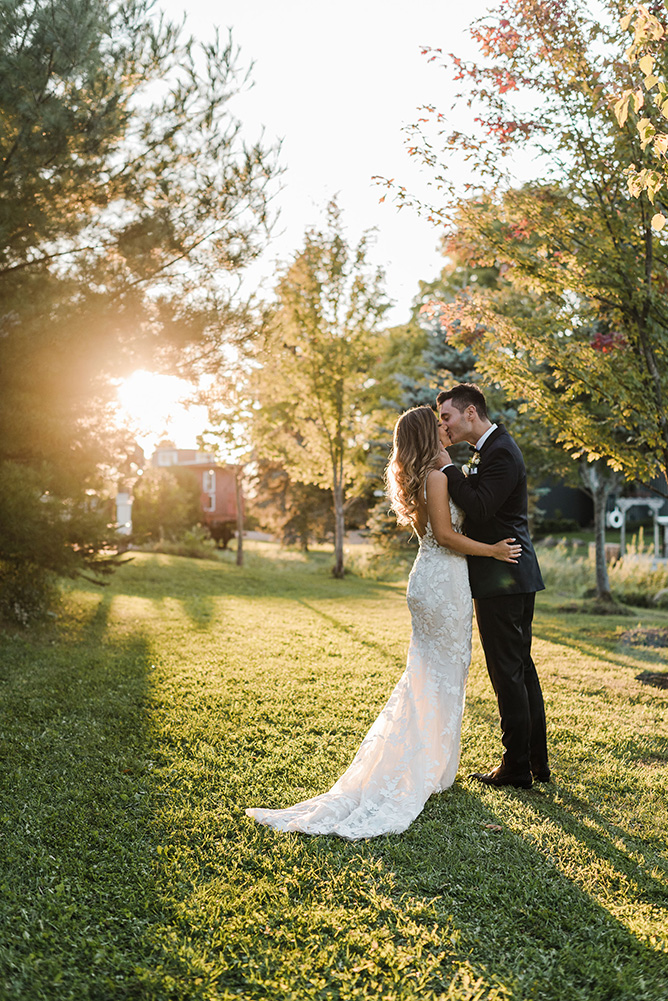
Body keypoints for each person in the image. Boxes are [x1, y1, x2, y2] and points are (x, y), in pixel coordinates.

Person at [245, 405, 522, 840]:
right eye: (437, 425)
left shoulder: (431, 474)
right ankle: (421, 768)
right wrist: (493, 552)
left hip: (438, 579)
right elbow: (447, 537)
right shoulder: (436, 477)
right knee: (439, 675)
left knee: (437, 674)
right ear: (425, 436)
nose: (445, 427)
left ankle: (434, 767)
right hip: (442, 580)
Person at [437, 383, 549, 789]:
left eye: (446, 416)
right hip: (511, 575)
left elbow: (480, 505)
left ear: (470, 413)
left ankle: (517, 768)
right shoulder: (489, 450)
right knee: (521, 669)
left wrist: (447, 467)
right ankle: (535, 763)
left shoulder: (500, 450)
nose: (443, 425)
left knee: (508, 673)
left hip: (504, 576)